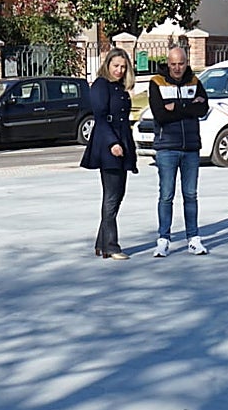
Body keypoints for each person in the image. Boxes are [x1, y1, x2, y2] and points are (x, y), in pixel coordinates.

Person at [148, 46, 209, 256]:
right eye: (173, 64)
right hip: (167, 148)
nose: (177, 68)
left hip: (191, 147)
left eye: (181, 63)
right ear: (168, 62)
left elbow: (202, 109)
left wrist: (177, 107)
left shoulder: (195, 81)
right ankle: (163, 239)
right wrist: (189, 107)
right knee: (166, 195)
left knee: (190, 195)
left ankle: (194, 238)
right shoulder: (156, 82)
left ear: (186, 62)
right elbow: (160, 115)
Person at [80, 48, 138, 260]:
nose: (120, 70)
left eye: (123, 67)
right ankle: (111, 246)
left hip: (122, 142)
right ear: (107, 65)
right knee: (112, 197)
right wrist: (113, 143)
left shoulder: (120, 87)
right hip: (108, 145)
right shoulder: (100, 85)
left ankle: (101, 243)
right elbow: (101, 117)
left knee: (117, 195)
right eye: (116, 66)